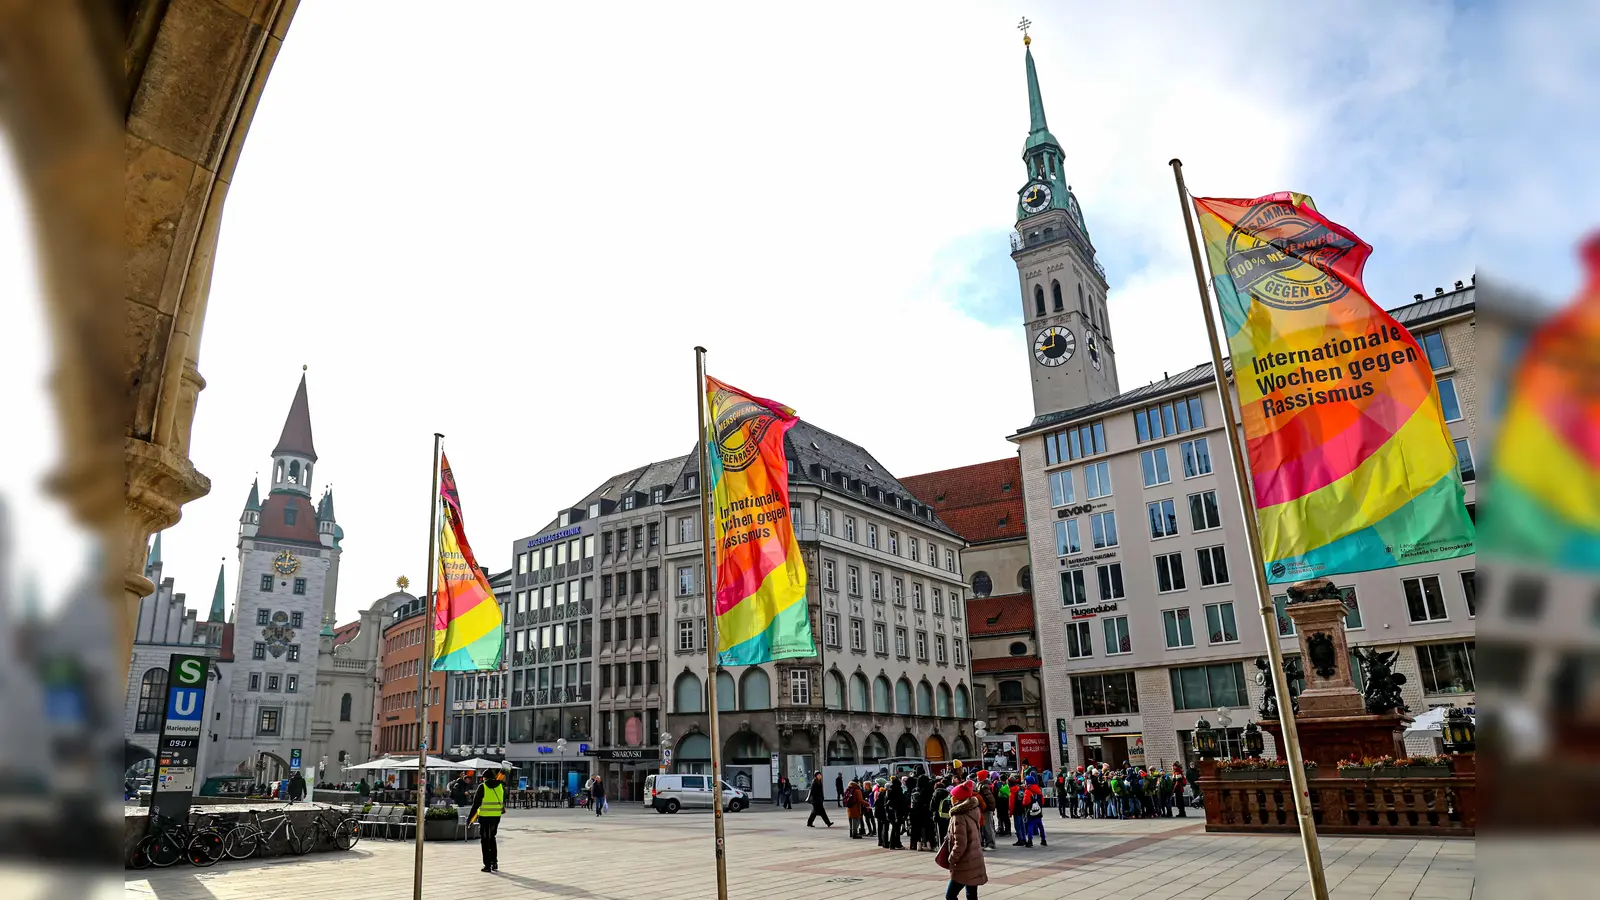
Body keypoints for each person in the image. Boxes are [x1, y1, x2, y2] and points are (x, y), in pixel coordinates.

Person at [943, 781, 988, 900]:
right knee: (972, 895)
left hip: (965, 862)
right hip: (975, 859)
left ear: (958, 798)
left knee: (950, 895)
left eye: (953, 795)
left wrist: (951, 858)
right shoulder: (973, 810)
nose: (951, 797)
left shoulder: (958, 816)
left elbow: (960, 843)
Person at [467, 768, 505, 873]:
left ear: (484, 778)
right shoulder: (501, 786)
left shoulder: (482, 787)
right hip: (496, 816)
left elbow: (475, 805)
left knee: (485, 840)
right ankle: (494, 862)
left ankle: (487, 865)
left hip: (484, 817)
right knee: (492, 838)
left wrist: (470, 819)